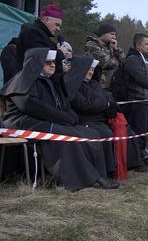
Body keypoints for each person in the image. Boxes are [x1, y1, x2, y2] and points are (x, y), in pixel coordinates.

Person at [0, 48, 118, 190]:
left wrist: (71, 117)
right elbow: (34, 108)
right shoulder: (22, 81)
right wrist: (65, 118)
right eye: (48, 62)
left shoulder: (49, 81)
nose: (53, 65)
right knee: (65, 136)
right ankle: (88, 179)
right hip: (23, 123)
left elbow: (62, 104)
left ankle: (100, 174)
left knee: (89, 133)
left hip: (43, 121)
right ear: (36, 63)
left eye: (53, 62)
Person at [122, 33, 148, 171]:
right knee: (139, 133)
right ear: (138, 45)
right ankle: (138, 162)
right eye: (146, 44)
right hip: (139, 101)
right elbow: (141, 78)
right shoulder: (132, 60)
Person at [15, 4, 66, 78]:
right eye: (57, 24)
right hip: (33, 83)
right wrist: (60, 53)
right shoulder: (33, 32)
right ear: (46, 20)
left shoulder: (40, 34)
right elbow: (39, 57)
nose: (58, 29)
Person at [82, 23, 123, 90]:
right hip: (96, 84)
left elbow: (124, 62)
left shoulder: (111, 46)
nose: (114, 37)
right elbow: (106, 63)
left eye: (115, 35)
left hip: (110, 85)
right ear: (103, 34)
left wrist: (116, 49)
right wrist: (117, 59)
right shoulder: (91, 45)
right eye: (112, 34)